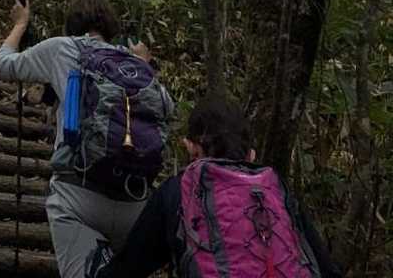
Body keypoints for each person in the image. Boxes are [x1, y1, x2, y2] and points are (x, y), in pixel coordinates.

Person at [0, 0, 174, 278]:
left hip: (78, 196)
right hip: (135, 201)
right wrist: (144, 64)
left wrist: (20, 23)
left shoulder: (63, 48)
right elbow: (167, 106)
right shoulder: (133, 63)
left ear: (73, 23)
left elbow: (4, 65)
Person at [83, 94, 342, 277]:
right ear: (250, 154)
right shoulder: (276, 188)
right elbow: (327, 269)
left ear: (191, 147)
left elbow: (129, 268)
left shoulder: (180, 190)